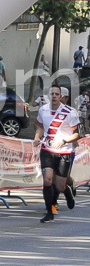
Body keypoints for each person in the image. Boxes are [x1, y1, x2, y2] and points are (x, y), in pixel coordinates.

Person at [34, 85, 80, 223]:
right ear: (48, 96)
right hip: (47, 149)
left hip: (64, 151)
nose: (54, 96)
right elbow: (39, 126)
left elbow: (77, 134)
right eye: (52, 94)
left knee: (59, 185)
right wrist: (37, 137)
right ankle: (49, 213)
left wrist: (64, 140)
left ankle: (67, 192)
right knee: (48, 180)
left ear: (61, 97)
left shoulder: (70, 112)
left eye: (56, 94)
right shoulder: (43, 110)